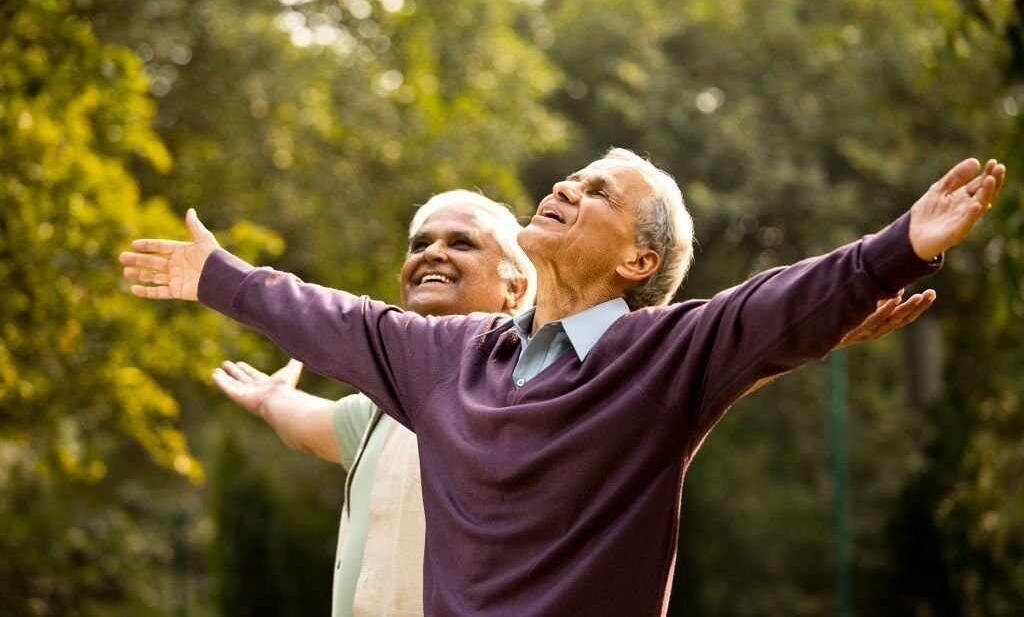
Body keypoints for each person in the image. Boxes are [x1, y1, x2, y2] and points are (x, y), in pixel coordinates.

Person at [120, 150, 1005, 615]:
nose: (566, 189)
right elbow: (340, 319)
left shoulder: (662, 357)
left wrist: (900, 246)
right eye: (570, 178)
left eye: (598, 192)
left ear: (638, 258)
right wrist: (218, 277)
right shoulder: (451, 358)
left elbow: (771, 308)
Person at [209, 190, 536, 616]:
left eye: (461, 243)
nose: (433, 253)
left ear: (515, 287)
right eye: (420, 244)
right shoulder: (384, 405)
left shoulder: (529, 391)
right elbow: (311, 426)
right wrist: (271, 400)